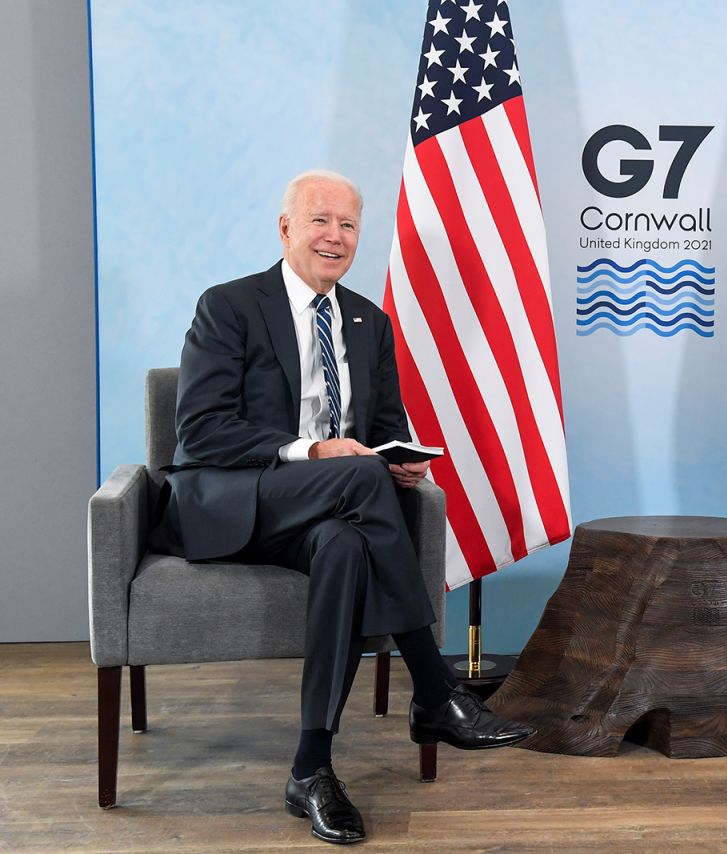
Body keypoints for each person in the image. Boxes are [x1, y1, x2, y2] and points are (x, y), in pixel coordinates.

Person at [150, 169, 534, 845]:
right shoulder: (229, 306)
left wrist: (399, 462)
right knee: (357, 480)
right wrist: (313, 453)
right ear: (286, 228)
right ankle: (434, 685)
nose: (335, 236)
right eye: (320, 220)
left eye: (349, 225)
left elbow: (384, 426)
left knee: (347, 544)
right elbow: (201, 433)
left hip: (325, 514)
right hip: (230, 500)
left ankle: (312, 765)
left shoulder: (368, 321)